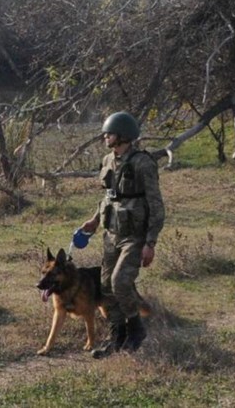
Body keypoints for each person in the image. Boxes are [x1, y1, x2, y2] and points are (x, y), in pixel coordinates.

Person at [79, 111, 165, 358]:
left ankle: (136, 330)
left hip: (134, 236)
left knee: (120, 283)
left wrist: (150, 242)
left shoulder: (142, 163)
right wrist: (95, 220)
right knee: (105, 286)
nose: (106, 136)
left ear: (123, 136)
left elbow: (156, 204)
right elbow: (109, 196)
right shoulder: (108, 160)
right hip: (111, 232)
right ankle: (117, 336)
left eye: (110, 133)